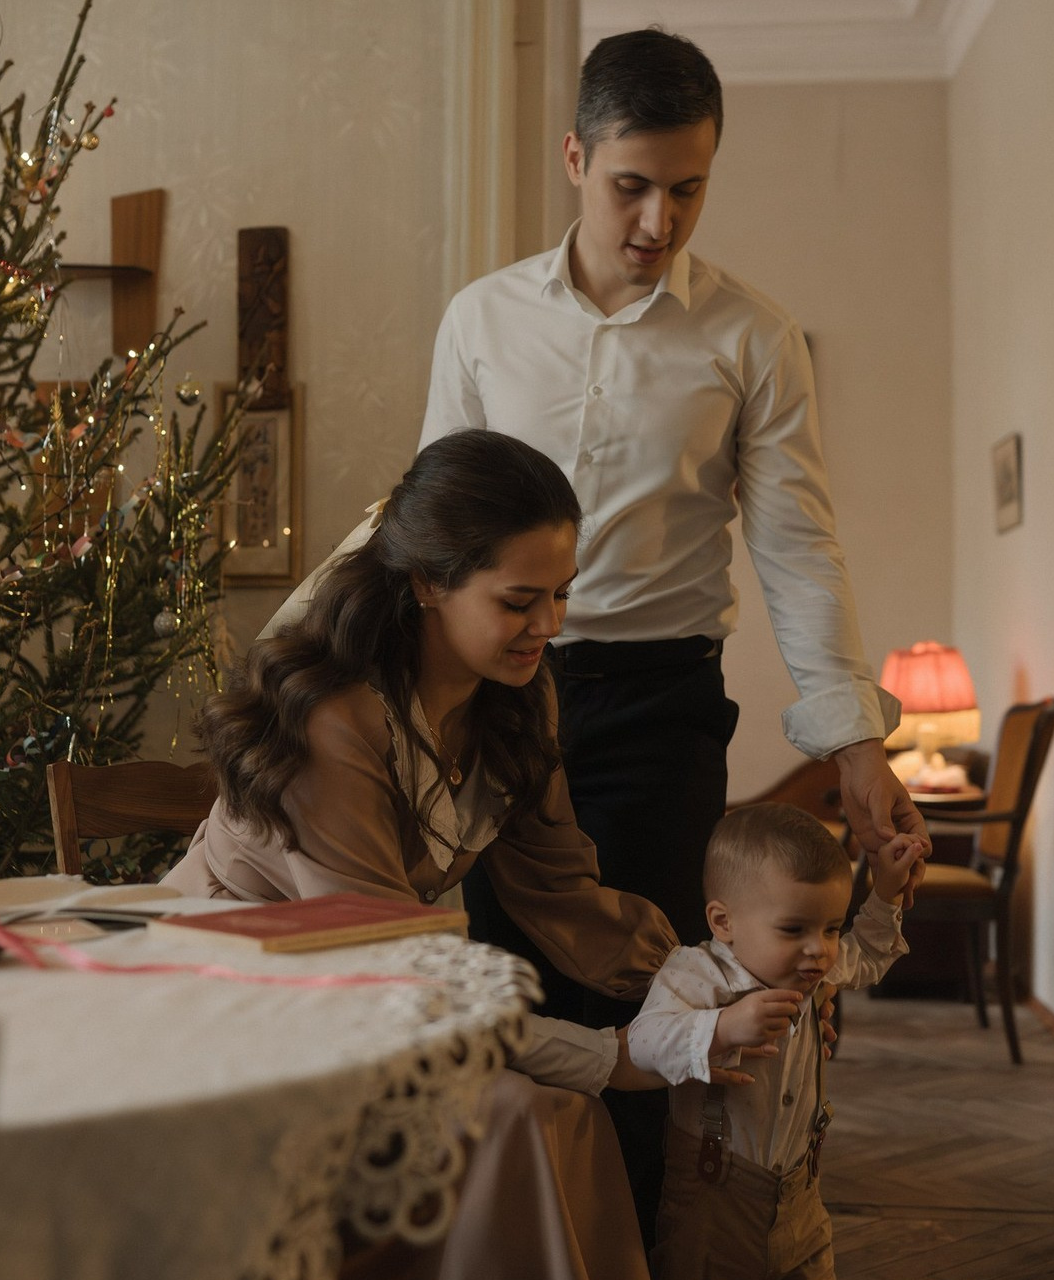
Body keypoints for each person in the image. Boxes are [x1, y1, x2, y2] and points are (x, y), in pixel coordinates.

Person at [416, 26, 928, 1239]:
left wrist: (856, 743)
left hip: (658, 705)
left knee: (655, 998)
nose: (657, 220)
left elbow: (796, 547)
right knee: (498, 988)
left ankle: (645, 1253)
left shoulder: (753, 337)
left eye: (686, 189)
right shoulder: (480, 321)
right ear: (573, 158)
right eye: (629, 185)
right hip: (493, 699)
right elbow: (432, 529)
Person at [164, 430, 680, 1280]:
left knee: (552, 1111)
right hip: (244, 999)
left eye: (561, 595)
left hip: (370, 986)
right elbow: (396, 973)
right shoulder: (334, 721)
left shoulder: (518, 698)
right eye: (519, 601)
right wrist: (609, 1058)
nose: (550, 626)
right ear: (428, 583)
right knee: (520, 1112)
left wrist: (703, 984)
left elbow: (560, 891)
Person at [627, 803, 924, 1280]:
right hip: (712, 1205)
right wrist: (723, 1028)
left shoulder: (813, 974)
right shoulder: (699, 974)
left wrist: (886, 891)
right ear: (724, 923)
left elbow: (867, 952)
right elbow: (641, 1044)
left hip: (802, 1198)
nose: (820, 949)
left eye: (831, 928)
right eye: (794, 929)